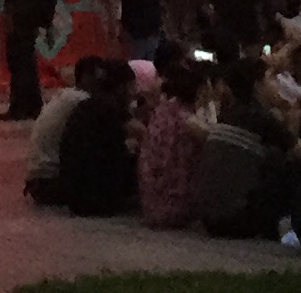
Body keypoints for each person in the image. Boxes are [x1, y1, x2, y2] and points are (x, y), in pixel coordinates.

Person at [197, 57, 296, 239]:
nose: (277, 85)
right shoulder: (262, 118)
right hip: (237, 219)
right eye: (271, 79)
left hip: (209, 218)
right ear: (258, 85)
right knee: (287, 164)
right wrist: (294, 118)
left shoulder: (229, 114)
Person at [56, 60, 140, 215]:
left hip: (75, 196)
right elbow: (141, 133)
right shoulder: (110, 108)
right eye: (131, 86)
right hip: (97, 198)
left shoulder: (88, 105)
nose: (134, 92)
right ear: (121, 87)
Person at [137, 58, 209, 230]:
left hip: (152, 198)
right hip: (173, 202)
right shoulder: (187, 120)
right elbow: (213, 140)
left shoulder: (163, 110)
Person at [24, 56, 103, 205]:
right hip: (51, 181)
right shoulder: (82, 101)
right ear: (87, 77)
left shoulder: (67, 95)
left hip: (39, 180)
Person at [0, 0, 58, 120]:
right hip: (28, 27)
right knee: (28, 66)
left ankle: (20, 108)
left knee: (20, 68)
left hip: (20, 27)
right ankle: (32, 106)